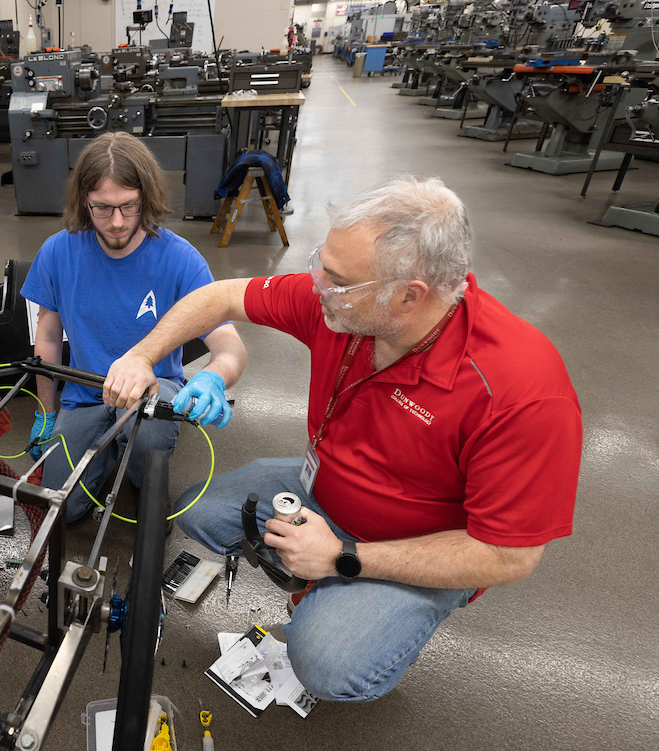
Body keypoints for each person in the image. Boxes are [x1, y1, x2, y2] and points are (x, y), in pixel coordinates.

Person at [103, 175, 582, 701]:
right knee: (195, 509)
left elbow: (508, 555)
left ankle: (370, 608)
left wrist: (344, 558)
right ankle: (323, 573)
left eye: (338, 280)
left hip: (418, 543)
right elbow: (221, 296)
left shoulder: (521, 391)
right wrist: (140, 357)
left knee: (328, 667)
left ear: (409, 295)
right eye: (320, 265)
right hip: (322, 488)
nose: (318, 287)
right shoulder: (340, 305)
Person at [20, 132, 246, 522]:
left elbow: (230, 345)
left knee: (148, 456)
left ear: (147, 198)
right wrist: (46, 410)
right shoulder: (58, 251)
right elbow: (48, 335)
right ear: (83, 202)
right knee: (63, 511)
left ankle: (137, 461)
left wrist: (213, 379)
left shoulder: (179, 259)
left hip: (154, 391)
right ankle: (104, 450)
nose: (118, 222)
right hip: (85, 391)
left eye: (129, 206)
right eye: (102, 209)